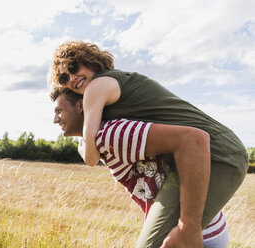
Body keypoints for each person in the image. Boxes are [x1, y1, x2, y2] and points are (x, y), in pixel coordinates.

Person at [49, 41, 248, 248]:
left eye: (73, 68)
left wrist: (188, 226)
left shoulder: (97, 87)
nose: (71, 78)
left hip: (216, 150)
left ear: (90, 61)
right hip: (210, 150)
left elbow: (90, 157)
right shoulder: (114, 93)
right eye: (64, 77)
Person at [51, 89, 229, 247]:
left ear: (81, 105)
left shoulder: (110, 134)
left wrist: (187, 225)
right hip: (197, 227)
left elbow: (194, 139)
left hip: (193, 233)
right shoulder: (94, 141)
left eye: (59, 110)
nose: (55, 119)